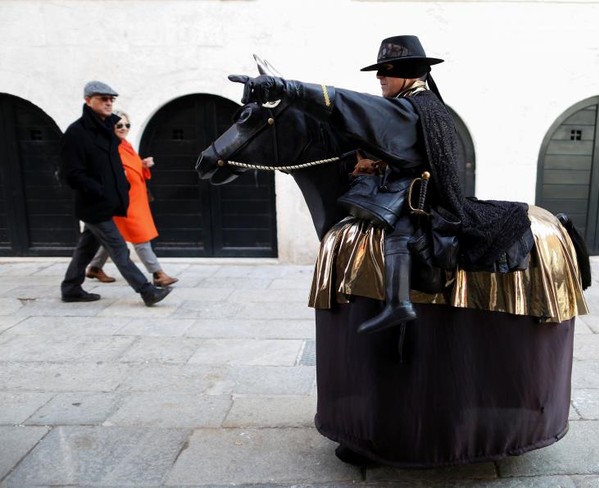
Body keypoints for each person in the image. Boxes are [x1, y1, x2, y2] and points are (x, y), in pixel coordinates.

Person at [232, 35, 532, 336]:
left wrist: (289, 89)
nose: (379, 77)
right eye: (380, 70)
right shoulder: (414, 103)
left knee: (397, 226)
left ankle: (398, 303)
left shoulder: (411, 108)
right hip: (411, 184)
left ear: (411, 72)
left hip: (426, 199)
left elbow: (353, 106)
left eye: (387, 69)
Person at [59, 81, 172, 306]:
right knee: (119, 248)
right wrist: (100, 191)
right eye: (103, 98)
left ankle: (71, 287)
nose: (109, 102)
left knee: (86, 248)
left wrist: (121, 189)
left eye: (111, 99)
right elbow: (71, 174)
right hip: (94, 205)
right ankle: (147, 291)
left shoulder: (107, 130)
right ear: (88, 101)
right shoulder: (77, 132)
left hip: (110, 202)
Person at [85, 110, 178, 287]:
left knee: (112, 238)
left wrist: (143, 165)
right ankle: (158, 274)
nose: (123, 128)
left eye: (127, 125)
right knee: (140, 236)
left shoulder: (124, 145)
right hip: (124, 202)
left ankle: (95, 267)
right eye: (119, 125)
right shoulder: (108, 147)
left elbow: (131, 169)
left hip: (135, 199)